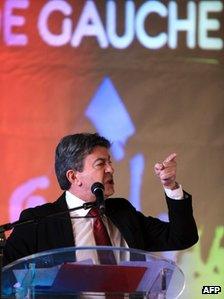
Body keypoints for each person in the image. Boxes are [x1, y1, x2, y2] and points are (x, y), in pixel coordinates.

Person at [3, 133, 198, 266]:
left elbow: (182, 237)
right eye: (100, 163)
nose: (110, 169)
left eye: (110, 162)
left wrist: (170, 186)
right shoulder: (38, 221)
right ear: (73, 177)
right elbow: (7, 274)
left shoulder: (122, 211)